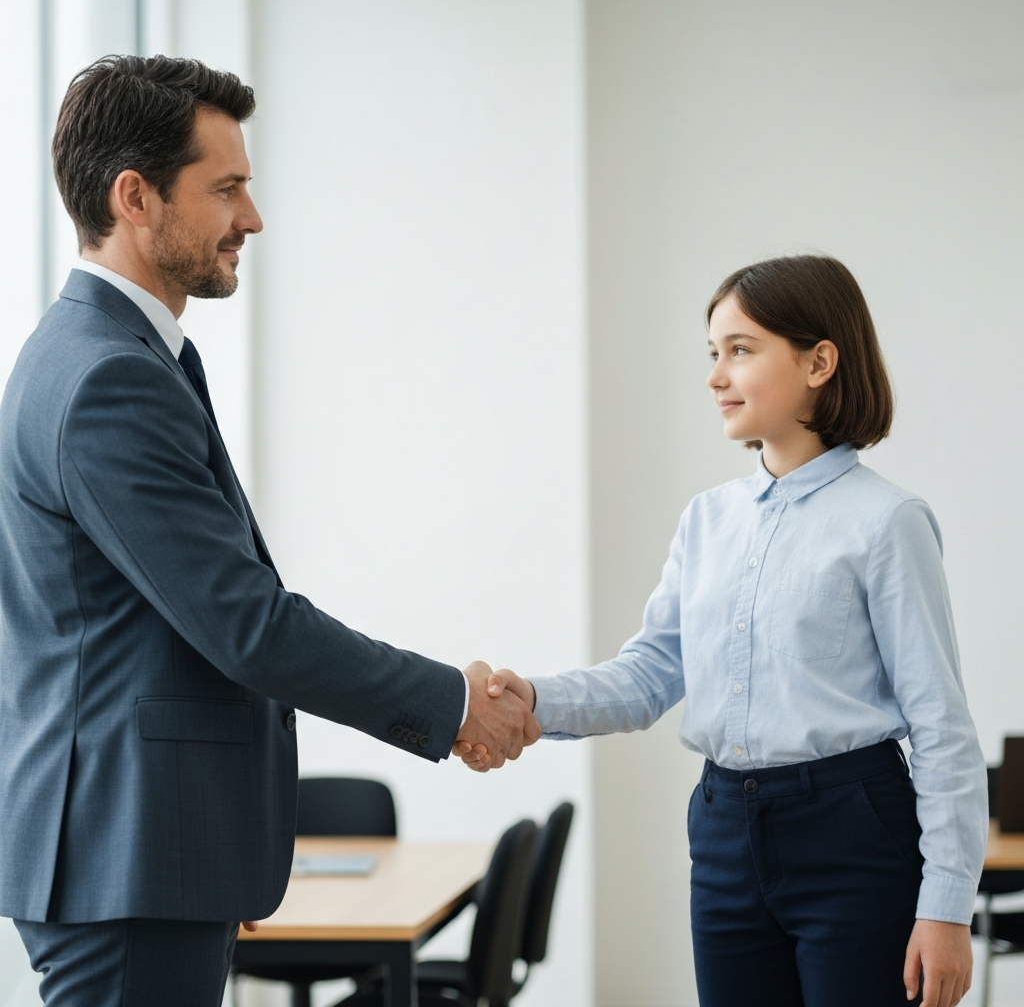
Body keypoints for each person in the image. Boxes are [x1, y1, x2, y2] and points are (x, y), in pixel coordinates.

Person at [0, 55, 536, 1007]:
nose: (252, 217)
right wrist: (452, 704)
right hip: (128, 855)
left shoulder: (102, 356)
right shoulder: (106, 380)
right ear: (135, 196)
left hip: (143, 848)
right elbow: (245, 624)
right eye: (227, 187)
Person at [465, 255, 988, 1007]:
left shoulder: (887, 523)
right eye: (713, 353)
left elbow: (941, 726)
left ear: (819, 362)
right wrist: (532, 700)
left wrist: (944, 907)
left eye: (740, 350)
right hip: (723, 836)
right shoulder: (706, 520)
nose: (716, 376)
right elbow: (649, 674)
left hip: (853, 834)